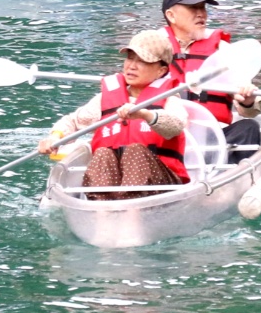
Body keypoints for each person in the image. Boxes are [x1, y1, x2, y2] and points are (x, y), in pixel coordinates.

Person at [36, 30, 193, 199]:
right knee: (102, 153)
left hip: (161, 185)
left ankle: (131, 220)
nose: (132, 66)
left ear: (161, 71)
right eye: (130, 58)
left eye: (142, 61)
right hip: (115, 186)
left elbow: (176, 126)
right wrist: (54, 138)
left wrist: (145, 115)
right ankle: (102, 214)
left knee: (135, 151)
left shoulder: (169, 99)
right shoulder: (105, 99)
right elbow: (72, 122)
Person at [160, 0, 261, 162]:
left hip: (213, 135)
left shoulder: (222, 50)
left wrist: (248, 101)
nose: (201, 14)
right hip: (168, 132)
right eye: (193, 8)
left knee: (249, 127)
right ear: (171, 15)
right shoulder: (152, 47)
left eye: (203, 8)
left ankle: (226, 177)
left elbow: (249, 111)